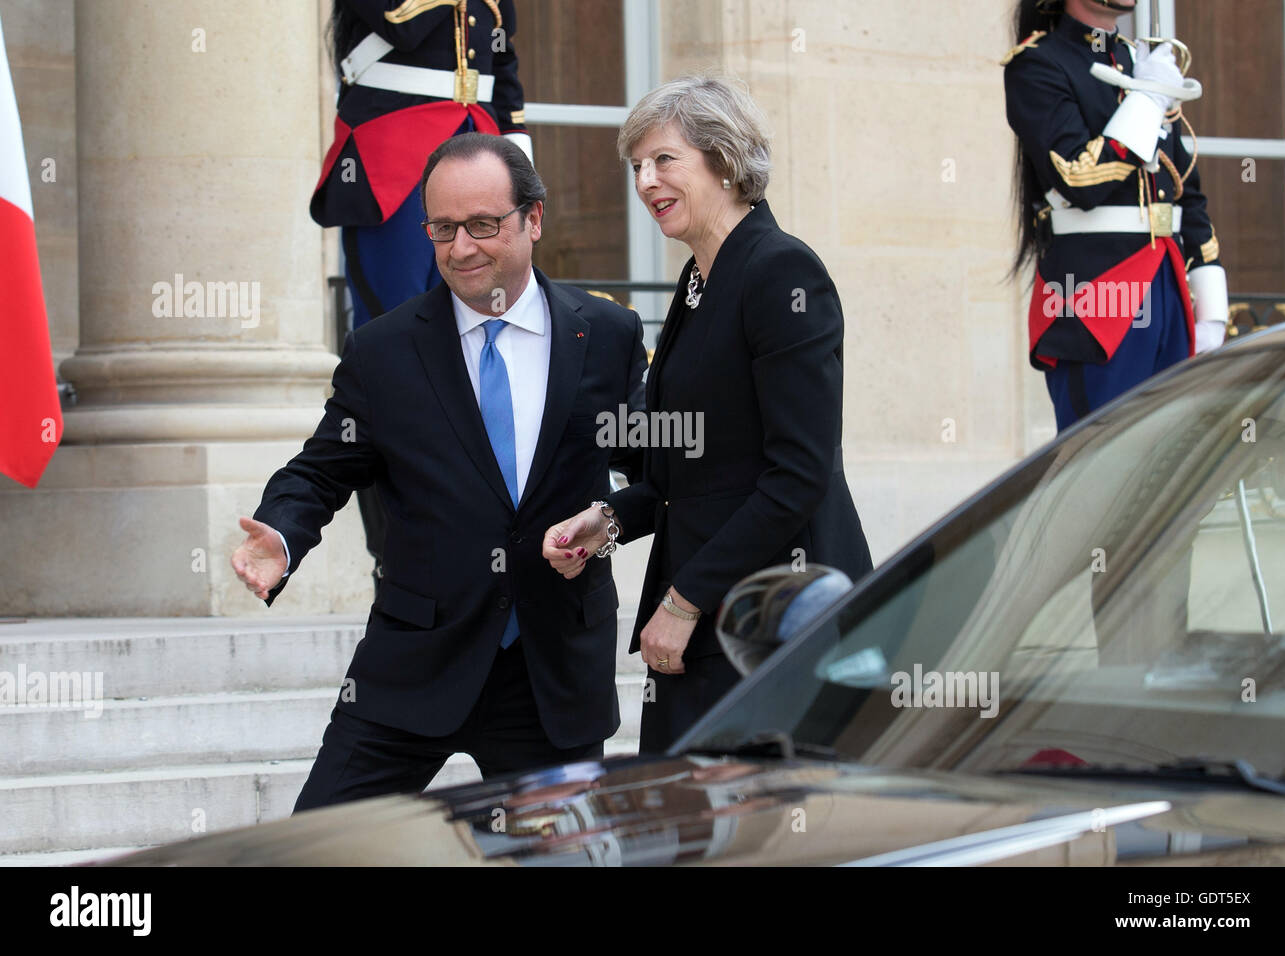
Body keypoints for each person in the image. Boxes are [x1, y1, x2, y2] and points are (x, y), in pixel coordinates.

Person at [232, 133, 647, 810]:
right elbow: (321, 469)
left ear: (533, 219)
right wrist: (280, 535)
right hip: (414, 663)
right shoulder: (382, 352)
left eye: (484, 225)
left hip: (550, 673)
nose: (460, 249)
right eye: (443, 228)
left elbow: (654, 472)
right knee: (316, 852)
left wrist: (610, 522)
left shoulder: (606, 336)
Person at [541, 74, 872, 754]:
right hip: (708, 619)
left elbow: (798, 473)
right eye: (637, 166)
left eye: (664, 160)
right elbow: (681, 477)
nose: (645, 181)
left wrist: (683, 601)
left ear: (722, 161)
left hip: (776, 620)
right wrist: (606, 522)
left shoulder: (782, 272)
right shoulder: (697, 284)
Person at [314, 0, 532, 586]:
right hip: (395, 150)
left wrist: (518, 162)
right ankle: (398, 546)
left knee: (493, 337)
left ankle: (490, 522)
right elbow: (399, 23)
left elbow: (503, 72)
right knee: (396, 354)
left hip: (480, 146)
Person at [1004, 0, 1229, 433]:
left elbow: (1183, 190)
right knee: (1102, 468)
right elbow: (1080, 179)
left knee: (1169, 472)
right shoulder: (1038, 64)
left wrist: (1212, 308)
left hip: (1166, 283)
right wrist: (1146, 99)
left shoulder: (1138, 61)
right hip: (1096, 293)